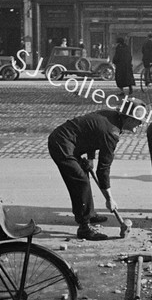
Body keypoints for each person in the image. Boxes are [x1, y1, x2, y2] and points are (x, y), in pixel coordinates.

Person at [48, 98, 146, 240]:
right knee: (80, 181)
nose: (140, 125)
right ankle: (84, 227)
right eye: (139, 121)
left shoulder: (112, 117)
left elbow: (91, 134)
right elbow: (103, 169)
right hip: (61, 144)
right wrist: (109, 199)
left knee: (82, 174)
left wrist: (90, 159)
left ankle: (89, 214)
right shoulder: (112, 132)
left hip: (70, 142)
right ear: (128, 118)